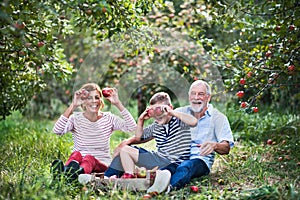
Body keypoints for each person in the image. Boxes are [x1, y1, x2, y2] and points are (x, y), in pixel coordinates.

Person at [146, 80, 234, 195]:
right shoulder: (180, 112)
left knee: (186, 166)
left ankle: (168, 188)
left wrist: (214, 145)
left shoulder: (218, 118)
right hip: (177, 158)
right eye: (193, 93)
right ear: (189, 96)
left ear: (208, 97)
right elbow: (158, 125)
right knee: (165, 168)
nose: (196, 97)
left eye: (201, 94)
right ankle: (148, 184)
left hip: (199, 160)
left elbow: (226, 148)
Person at [51, 83, 137, 182]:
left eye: (97, 97)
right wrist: (73, 106)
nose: (94, 101)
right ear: (83, 101)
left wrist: (118, 103)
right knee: (76, 155)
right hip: (79, 162)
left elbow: (132, 127)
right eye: (89, 98)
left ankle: (73, 175)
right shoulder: (75, 118)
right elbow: (57, 131)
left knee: (88, 158)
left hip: (102, 164)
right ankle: (66, 172)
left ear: (101, 100)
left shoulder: (109, 118)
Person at [103, 92, 198, 181]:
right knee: (125, 150)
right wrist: (141, 120)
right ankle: (127, 176)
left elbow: (193, 122)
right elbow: (138, 137)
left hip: (174, 163)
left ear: (169, 108)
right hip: (158, 158)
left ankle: (145, 176)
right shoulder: (156, 126)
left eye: (161, 112)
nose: (157, 117)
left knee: (159, 174)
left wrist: (171, 112)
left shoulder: (179, 121)